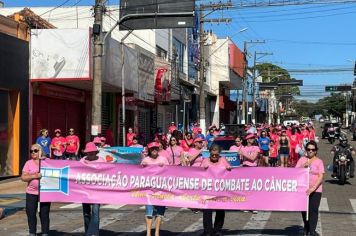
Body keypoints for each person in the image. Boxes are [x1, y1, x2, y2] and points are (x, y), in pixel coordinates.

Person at [201, 144, 231, 236]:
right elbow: (198, 174)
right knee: (207, 211)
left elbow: (230, 171)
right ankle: (208, 231)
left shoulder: (223, 160)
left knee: (220, 211)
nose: (214, 156)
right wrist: (202, 169)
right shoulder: (205, 160)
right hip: (208, 190)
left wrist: (228, 169)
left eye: (216, 155)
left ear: (219, 154)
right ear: (210, 153)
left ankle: (217, 230)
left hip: (220, 190)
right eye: (212, 154)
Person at [296, 141, 324, 236]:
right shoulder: (302, 159)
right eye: (309, 149)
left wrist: (313, 188)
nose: (311, 151)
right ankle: (306, 227)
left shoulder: (319, 161)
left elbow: (320, 176)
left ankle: (312, 230)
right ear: (306, 150)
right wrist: (303, 166)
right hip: (303, 189)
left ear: (316, 151)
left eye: (313, 149)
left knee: (313, 210)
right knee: (304, 210)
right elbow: (295, 172)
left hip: (316, 189)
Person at [21, 144, 50, 236]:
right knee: (31, 213)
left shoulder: (47, 161)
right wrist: (34, 176)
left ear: (40, 151)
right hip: (31, 192)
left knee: (44, 214)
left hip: (45, 192)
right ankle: (32, 232)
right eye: (31, 151)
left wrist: (42, 158)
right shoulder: (28, 163)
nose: (33, 152)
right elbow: (23, 177)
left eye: (35, 150)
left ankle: (45, 232)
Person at [141, 142, 169, 236]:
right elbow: (139, 173)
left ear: (158, 149)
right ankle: (148, 233)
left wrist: (164, 168)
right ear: (149, 150)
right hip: (148, 190)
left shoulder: (163, 159)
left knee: (159, 212)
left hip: (161, 190)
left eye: (156, 148)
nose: (154, 150)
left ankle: (157, 232)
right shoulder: (145, 160)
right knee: (149, 212)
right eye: (152, 148)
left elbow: (170, 172)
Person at [80, 142, 105, 236]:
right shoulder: (82, 160)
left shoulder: (102, 160)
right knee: (86, 213)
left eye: (92, 152)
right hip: (84, 191)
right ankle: (88, 232)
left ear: (96, 152)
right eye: (89, 152)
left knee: (95, 212)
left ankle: (94, 233)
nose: (90, 153)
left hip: (97, 192)